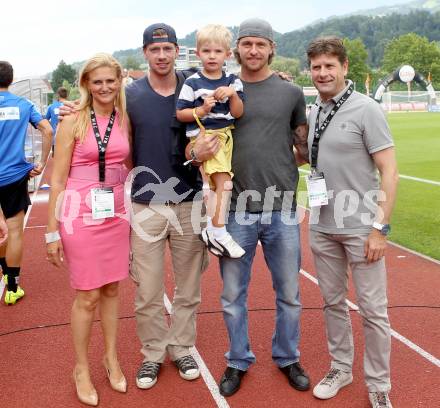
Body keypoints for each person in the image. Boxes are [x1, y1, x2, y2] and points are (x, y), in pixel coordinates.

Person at [190, 18, 310, 397]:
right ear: (235, 49)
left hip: (283, 208)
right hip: (235, 210)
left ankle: (287, 356)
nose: (253, 50)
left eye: (260, 44)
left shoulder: (290, 93)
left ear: (271, 48)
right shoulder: (213, 88)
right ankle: (238, 359)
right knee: (231, 296)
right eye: (247, 44)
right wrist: (197, 153)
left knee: (289, 292)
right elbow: (192, 140)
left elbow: (302, 145)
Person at [305, 37, 398, 408]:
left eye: (330, 66)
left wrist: (380, 228)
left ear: (344, 67)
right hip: (322, 223)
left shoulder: (366, 109)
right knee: (332, 303)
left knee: (374, 311)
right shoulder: (316, 110)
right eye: (316, 67)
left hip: (362, 227)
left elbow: (389, 171)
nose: (323, 73)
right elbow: (310, 157)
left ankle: (379, 384)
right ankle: (341, 368)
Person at [46, 53, 130, 406]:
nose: (105, 87)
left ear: (119, 81)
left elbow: (131, 161)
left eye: (111, 80)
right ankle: (81, 367)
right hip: (78, 211)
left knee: (111, 290)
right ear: (86, 85)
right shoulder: (73, 121)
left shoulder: (126, 118)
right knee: (88, 294)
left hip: (116, 209)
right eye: (97, 81)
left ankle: (111, 357)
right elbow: (58, 179)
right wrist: (52, 231)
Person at [176, 24, 245, 259]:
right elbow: (181, 114)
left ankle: (213, 229)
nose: (212, 56)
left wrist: (233, 94)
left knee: (218, 185)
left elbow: (237, 112)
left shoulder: (233, 81)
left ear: (228, 54)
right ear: (198, 53)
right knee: (224, 182)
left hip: (226, 136)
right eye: (207, 51)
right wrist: (201, 110)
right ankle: (218, 231)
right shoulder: (192, 83)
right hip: (206, 135)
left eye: (218, 51)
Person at [0, 60, 52, 305]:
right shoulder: (23, 104)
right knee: (13, 231)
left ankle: (5, 268)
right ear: (11, 79)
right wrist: (41, 163)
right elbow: (48, 130)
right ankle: (12, 287)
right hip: (13, 178)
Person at [45, 86, 69, 155]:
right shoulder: (71, 106)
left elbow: (45, 120)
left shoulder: (51, 107)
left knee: (56, 159)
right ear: (67, 95)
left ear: (58, 95)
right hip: (68, 139)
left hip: (55, 138)